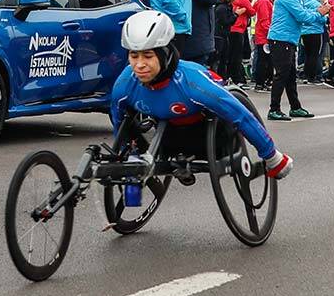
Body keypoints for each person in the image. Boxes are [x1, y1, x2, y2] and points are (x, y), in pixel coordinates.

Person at [111, 10, 293, 181]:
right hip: (168, 136)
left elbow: (241, 114)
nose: (139, 65)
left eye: (148, 56)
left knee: (224, 112)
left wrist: (272, 156)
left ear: (164, 54)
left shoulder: (192, 82)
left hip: (210, 133)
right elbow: (119, 125)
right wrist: (129, 157)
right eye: (134, 56)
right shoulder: (125, 84)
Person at [266, 0, 330, 121]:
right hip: (281, 39)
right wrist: (319, 13)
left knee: (290, 76)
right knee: (282, 75)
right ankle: (274, 109)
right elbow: (301, 16)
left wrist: (316, 12)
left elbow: (302, 13)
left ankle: (295, 107)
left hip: (287, 39)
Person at [227, 0, 254, 88]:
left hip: (231, 28)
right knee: (237, 56)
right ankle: (238, 79)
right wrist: (250, 1)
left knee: (231, 55)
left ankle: (230, 77)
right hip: (238, 28)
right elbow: (252, 11)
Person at [251, 0, 275, 92]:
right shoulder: (264, 2)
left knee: (265, 60)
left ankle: (263, 82)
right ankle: (260, 83)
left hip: (262, 35)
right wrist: (271, 33)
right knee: (264, 61)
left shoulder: (263, 1)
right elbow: (265, 21)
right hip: (264, 36)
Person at [300, 0, 327, 83]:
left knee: (307, 54)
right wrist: (326, 17)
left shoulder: (304, 3)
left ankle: (306, 75)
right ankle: (312, 77)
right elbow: (322, 19)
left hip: (305, 32)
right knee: (315, 54)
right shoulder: (317, 5)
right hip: (316, 31)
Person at [213, 0, 237, 78]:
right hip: (220, 36)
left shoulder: (227, 7)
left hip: (224, 35)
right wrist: (235, 15)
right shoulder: (222, 8)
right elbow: (224, 21)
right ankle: (218, 77)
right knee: (219, 60)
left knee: (224, 59)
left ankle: (222, 76)